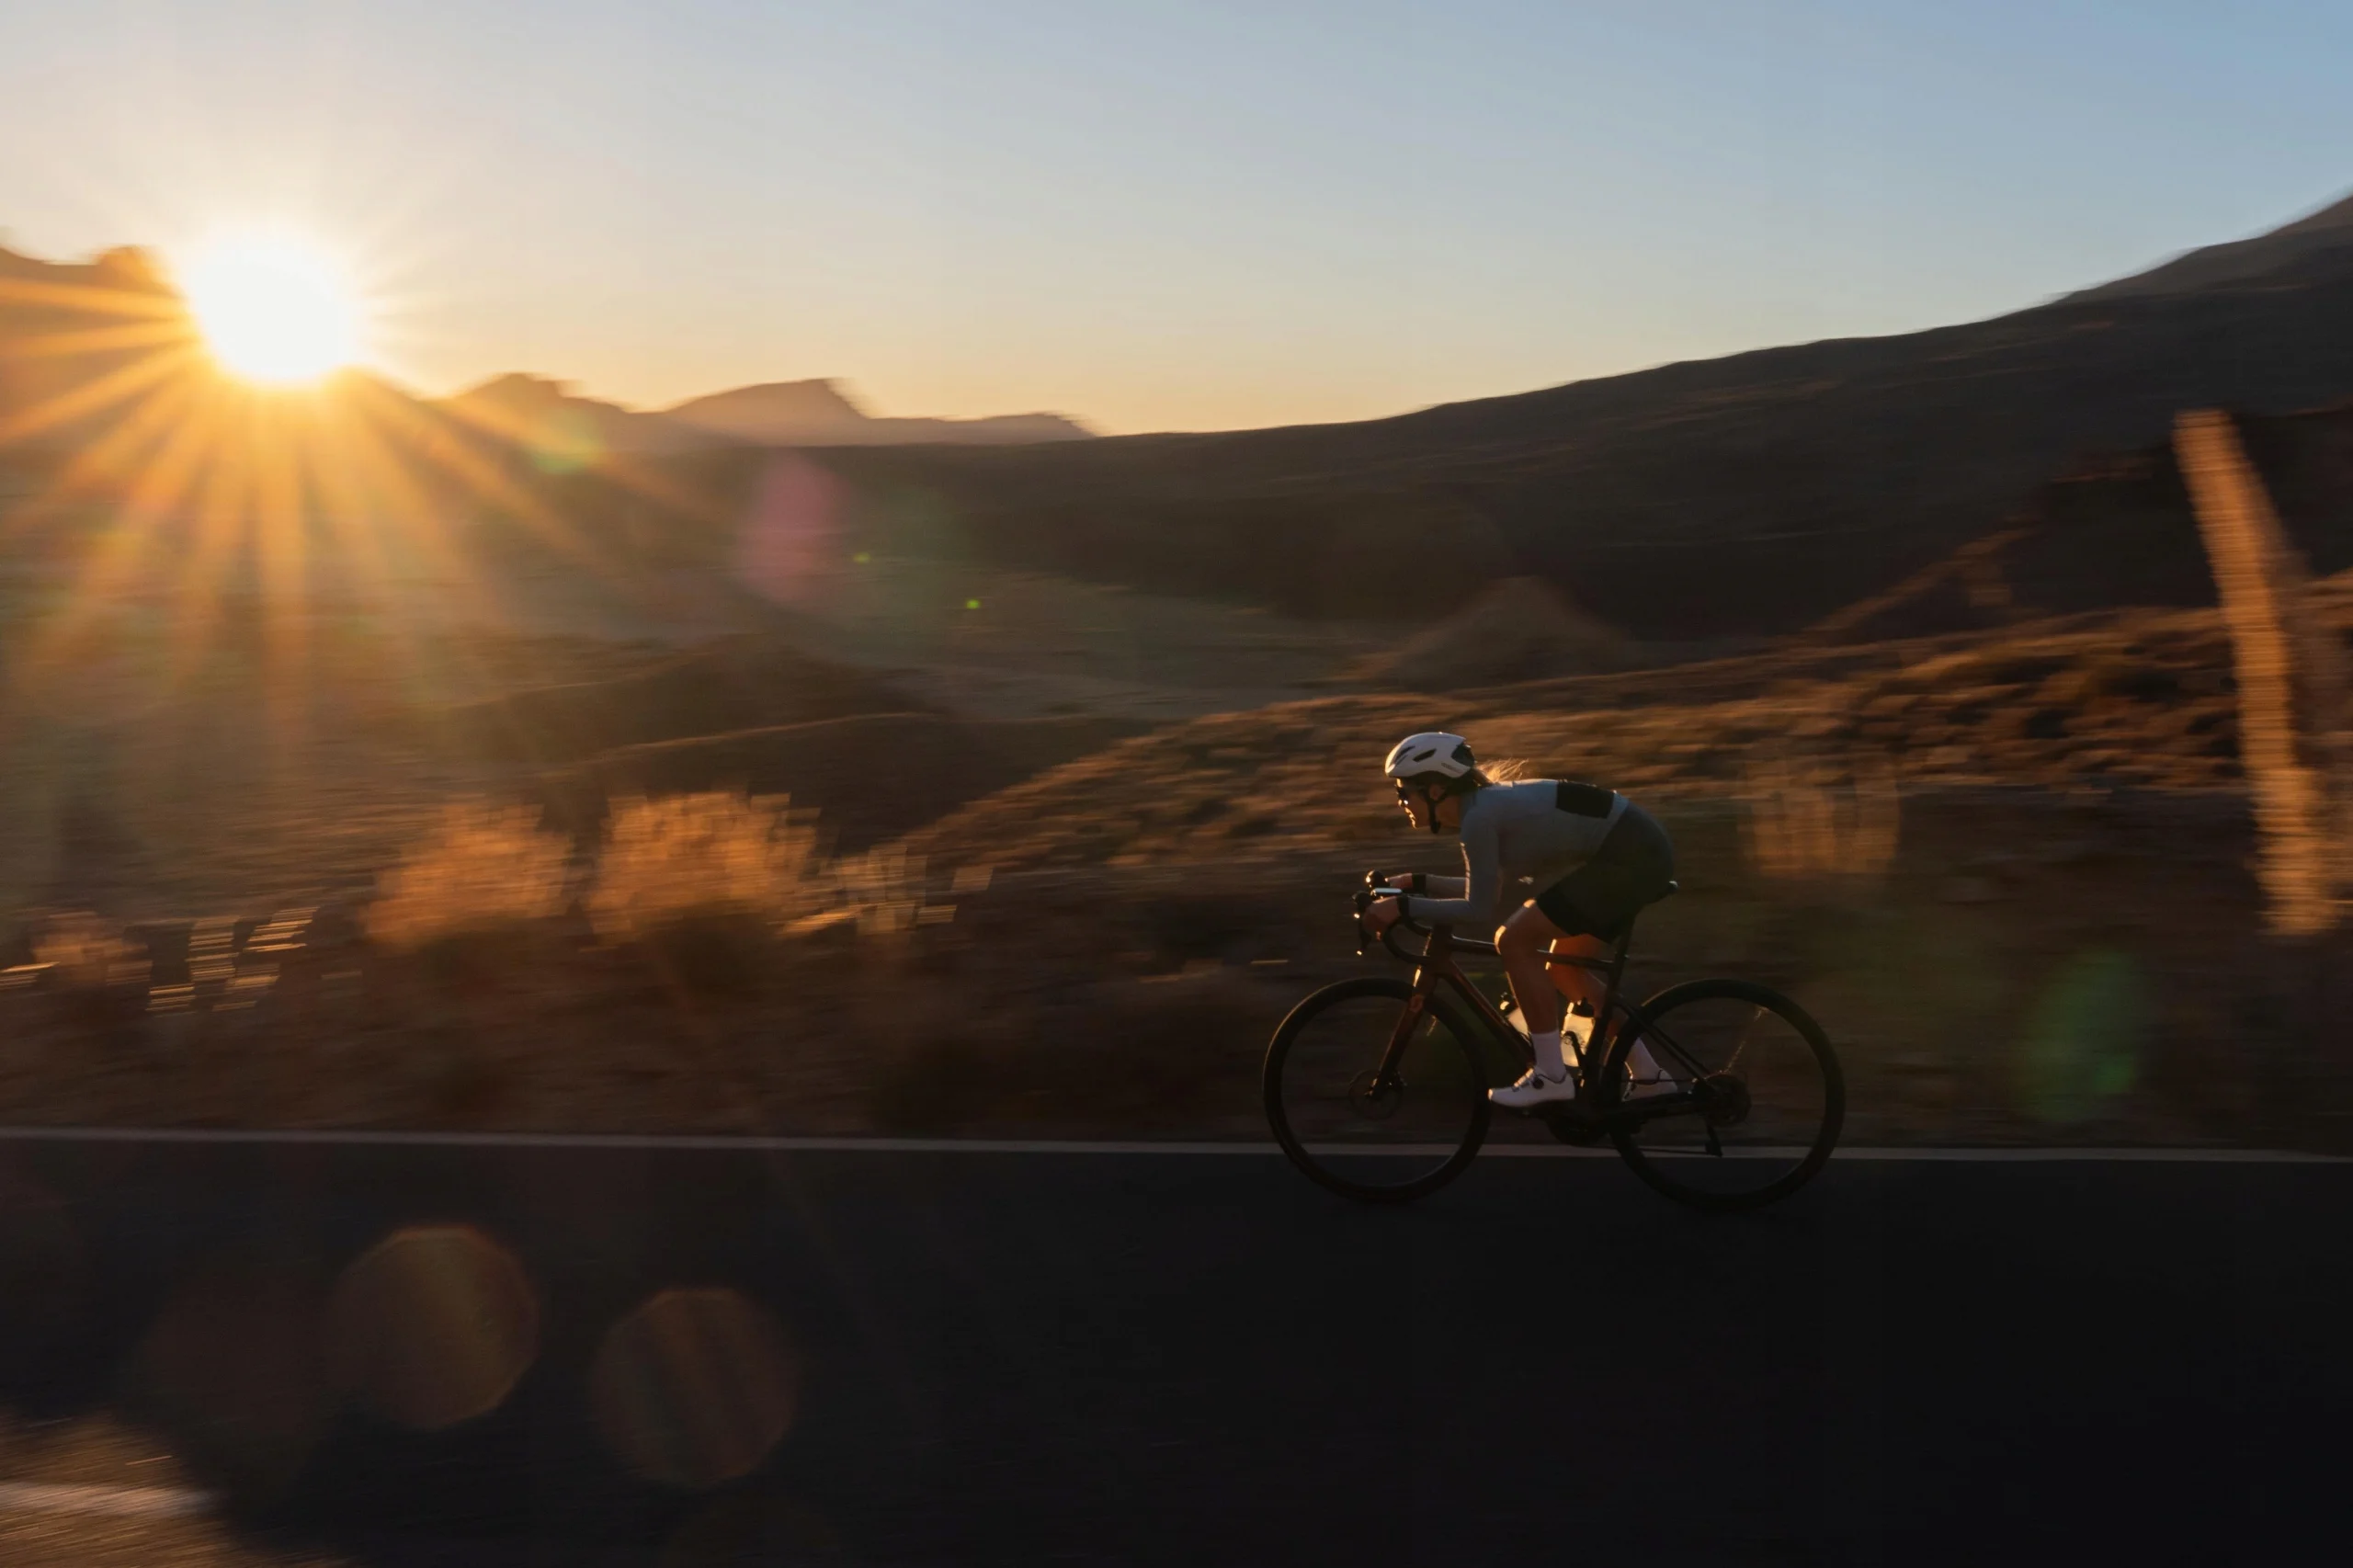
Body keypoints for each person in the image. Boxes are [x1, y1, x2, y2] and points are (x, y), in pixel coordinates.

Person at [1363, 731, 1676, 1108]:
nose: (1400, 802)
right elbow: (1485, 886)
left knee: (1513, 940)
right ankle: (1649, 1077)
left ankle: (1551, 1075)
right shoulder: (1484, 809)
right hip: (1637, 853)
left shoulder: (1479, 818)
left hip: (1627, 858)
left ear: (1435, 790)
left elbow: (1478, 908)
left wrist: (1402, 908)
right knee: (1566, 968)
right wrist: (1416, 884)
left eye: (1404, 792)